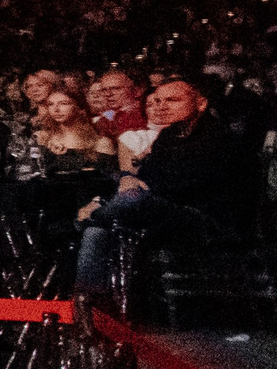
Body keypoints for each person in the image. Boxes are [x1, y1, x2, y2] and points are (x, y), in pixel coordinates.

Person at [76, 79, 261, 295]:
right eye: (157, 101)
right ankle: (89, 301)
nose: (161, 106)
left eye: (172, 100)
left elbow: (181, 187)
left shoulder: (220, 139)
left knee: (133, 199)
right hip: (168, 212)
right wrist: (124, 186)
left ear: (201, 104)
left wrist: (125, 194)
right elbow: (146, 178)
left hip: (210, 221)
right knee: (97, 231)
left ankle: (97, 214)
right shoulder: (169, 136)